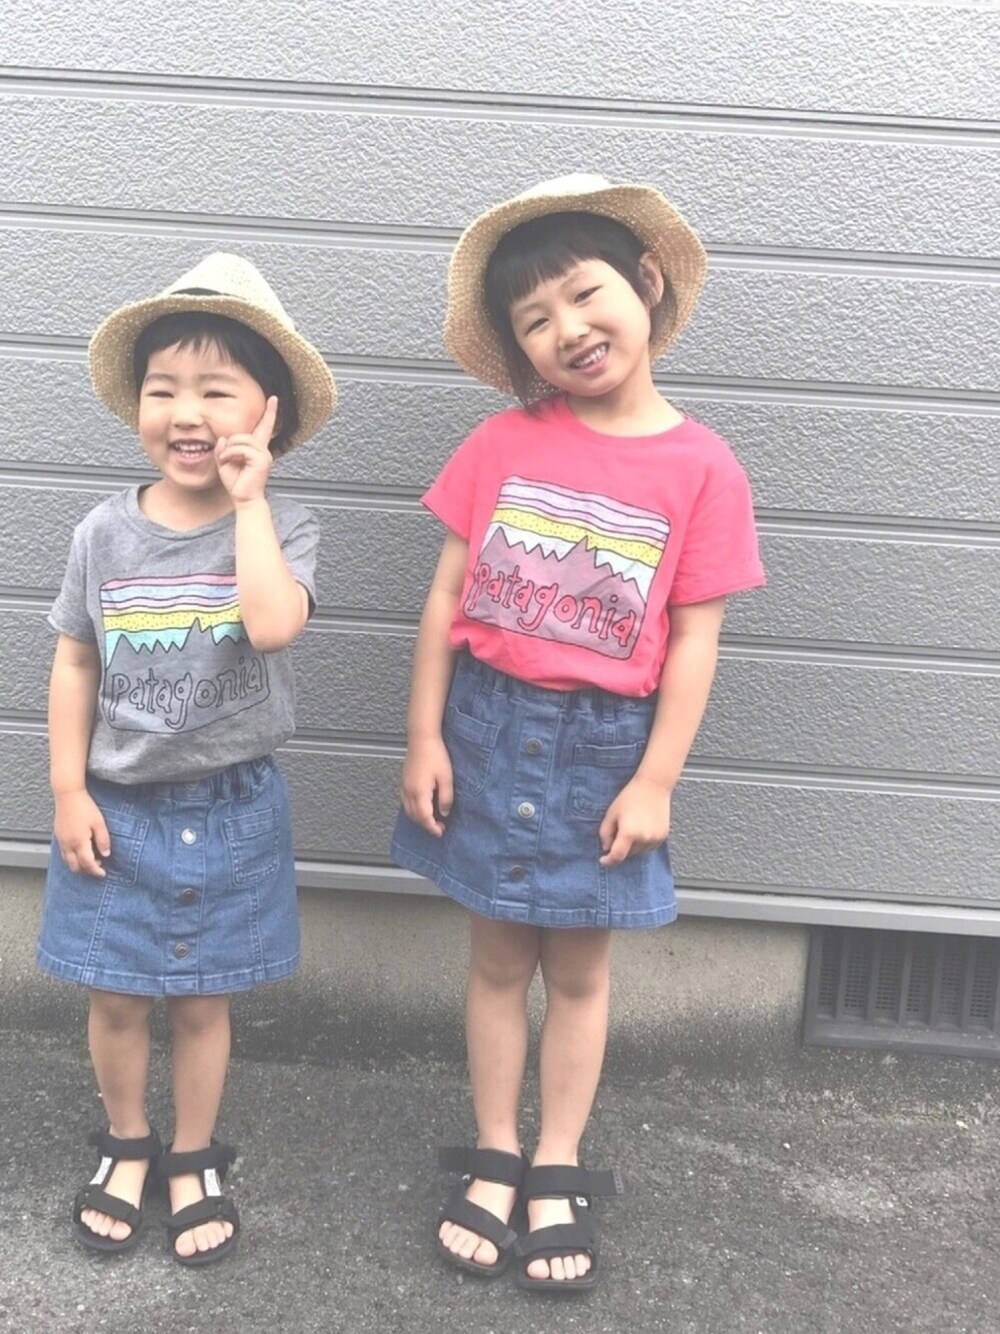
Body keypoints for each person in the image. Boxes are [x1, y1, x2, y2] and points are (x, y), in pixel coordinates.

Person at [391, 175, 766, 1291]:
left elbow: (695, 641)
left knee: (582, 973)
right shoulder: (499, 444)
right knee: (497, 959)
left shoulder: (703, 468)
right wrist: (424, 737)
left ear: (646, 283)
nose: (568, 328)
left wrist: (656, 780)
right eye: (534, 319)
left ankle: (557, 1158)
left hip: (606, 749)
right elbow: (442, 600)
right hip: (486, 728)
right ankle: (495, 1151)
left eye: (584, 293)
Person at [37, 253, 336, 1265]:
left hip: (233, 805)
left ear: (269, 413)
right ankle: (127, 1140)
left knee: (204, 1000)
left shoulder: (284, 526)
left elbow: (274, 625)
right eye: (163, 389)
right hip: (118, 805)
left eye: (216, 389)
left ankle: (196, 1152)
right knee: (116, 995)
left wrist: (250, 504)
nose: (186, 412)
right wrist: (68, 787)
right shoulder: (102, 531)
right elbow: (76, 658)